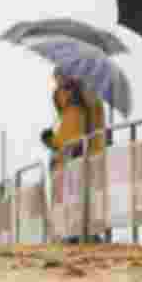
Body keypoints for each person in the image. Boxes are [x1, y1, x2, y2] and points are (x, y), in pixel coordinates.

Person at [40, 74, 106, 244]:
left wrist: (81, 91)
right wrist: (51, 141)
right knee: (67, 200)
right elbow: (65, 137)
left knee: (84, 197)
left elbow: (92, 119)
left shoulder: (87, 96)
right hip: (66, 160)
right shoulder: (68, 105)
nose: (57, 80)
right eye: (56, 76)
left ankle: (87, 234)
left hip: (84, 156)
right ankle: (70, 233)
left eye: (60, 74)